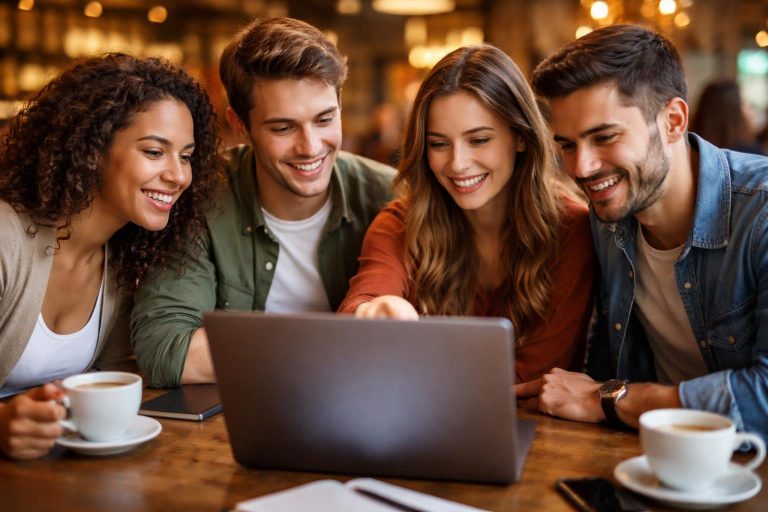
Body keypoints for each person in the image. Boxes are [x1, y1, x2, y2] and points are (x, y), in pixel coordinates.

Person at [517, 24, 768, 439]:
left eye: (604, 137)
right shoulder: (607, 217)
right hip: (651, 462)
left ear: (673, 120)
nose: (581, 168)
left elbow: (762, 399)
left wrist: (613, 398)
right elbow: (605, 358)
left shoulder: (759, 212)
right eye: (567, 145)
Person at [131, 17, 395, 387]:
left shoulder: (388, 195)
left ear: (340, 104)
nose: (310, 147)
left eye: (324, 119)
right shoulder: (203, 197)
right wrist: (334, 345)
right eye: (283, 128)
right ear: (240, 126)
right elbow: (165, 349)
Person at [0, 53, 220, 459]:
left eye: (186, 156)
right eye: (155, 152)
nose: (178, 175)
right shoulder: (6, 239)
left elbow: (112, 379)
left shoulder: (123, 257)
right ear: (92, 148)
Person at [338, 44, 596, 383]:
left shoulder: (571, 230)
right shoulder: (400, 223)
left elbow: (534, 380)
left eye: (479, 140)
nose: (457, 164)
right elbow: (364, 301)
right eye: (439, 144)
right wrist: (370, 312)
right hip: (420, 428)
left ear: (520, 137)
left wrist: (412, 367)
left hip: (542, 432)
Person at [690, 79, 764, 155]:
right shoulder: (752, 155)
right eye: (746, 104)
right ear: (734, 113)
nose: (751, 111)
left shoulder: (689, 150)